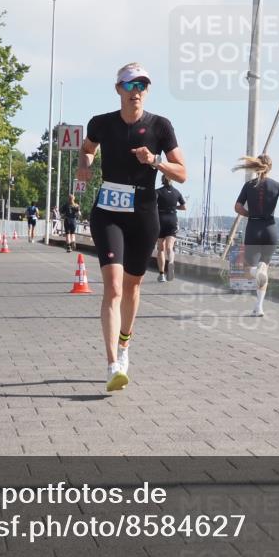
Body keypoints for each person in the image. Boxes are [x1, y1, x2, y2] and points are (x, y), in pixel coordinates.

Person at [77, 62, 186, 392]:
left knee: (133, 286)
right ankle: (112, 364)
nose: (136, 91)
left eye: (141, 85)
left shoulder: (160, 126)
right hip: (108, 210)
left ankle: (124, 345)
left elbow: (182, 173)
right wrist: (84, 165)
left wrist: (154, 160)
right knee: (113, 287)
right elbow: (87, 149)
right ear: (118, 89)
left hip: (143, 212)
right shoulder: (101, 123)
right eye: (129, 85)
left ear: (147, 91)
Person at [233, 155, 279, 317]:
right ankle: (259, 307)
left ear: (256, 166)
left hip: (253, 228)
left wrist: (249, 214)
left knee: (249, 270)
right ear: (270, 167)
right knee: (264, 269)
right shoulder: (277, 185)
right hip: (270, 229)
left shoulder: (249, 185)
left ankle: (256, 279)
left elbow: (237, 207)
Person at [155, 175, 186, 282]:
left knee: (161, 248)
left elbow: (152, 205)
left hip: (160, 220)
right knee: (169, 247)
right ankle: (171, 264)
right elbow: (184, 207)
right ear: (172, 180)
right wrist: (174, 207)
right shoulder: (177, 192)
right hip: (172, 220)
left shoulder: (158, 192)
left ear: (162, 180)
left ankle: (162, 275)